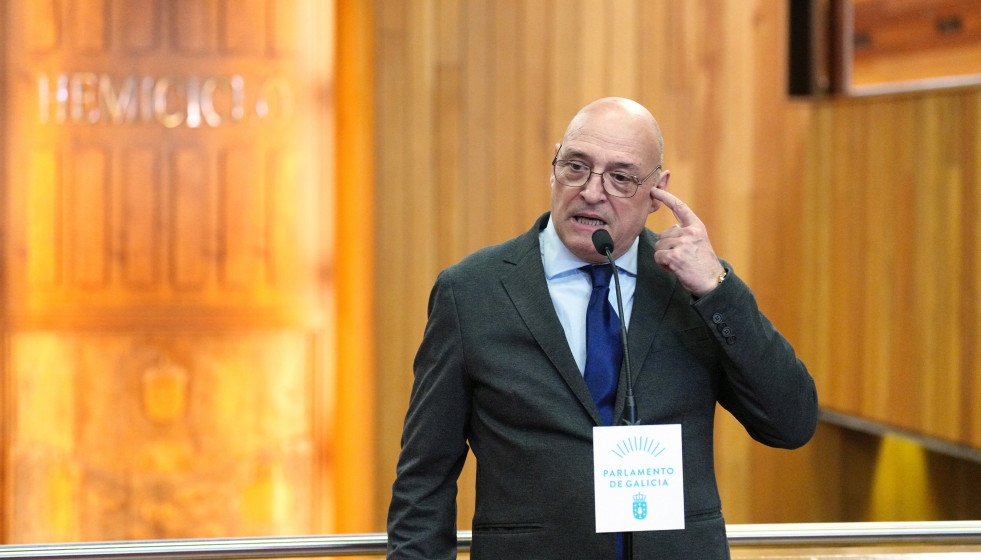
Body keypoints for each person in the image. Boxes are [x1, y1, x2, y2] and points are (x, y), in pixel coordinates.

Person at [386, 97, 818, 560]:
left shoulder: (695, 289)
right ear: (553, 169)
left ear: (658, 191)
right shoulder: (472, 292)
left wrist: (718, 292)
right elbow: (424, 478)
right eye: (576, 166)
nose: (592, 192)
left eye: (620, 177)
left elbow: (790, 423)